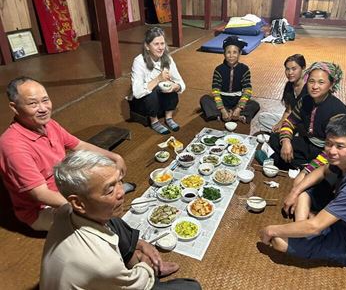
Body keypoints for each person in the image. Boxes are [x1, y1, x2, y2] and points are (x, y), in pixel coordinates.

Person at [40, 150, 201, 290]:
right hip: (120, 280)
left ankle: (137, 261)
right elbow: (135, 286)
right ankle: (148, 270)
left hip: (98, 271)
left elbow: (111, 223)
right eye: (110, 189)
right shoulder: (103, 261)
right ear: (78, 203)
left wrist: (141, 243)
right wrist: (145, 263)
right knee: (192, 287)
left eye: (119, 182)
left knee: (113, 221)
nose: (121, 192)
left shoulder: (66, 210)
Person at [0, 77, 135, 231]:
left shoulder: (48, 124)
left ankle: (107, 195)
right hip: (43, 209)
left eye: (45, 100)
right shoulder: (13, 146)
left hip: (67, 187)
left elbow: (80, 145)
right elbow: (41, 194)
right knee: (102, 215)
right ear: (15, 107)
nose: (43, 108)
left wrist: (115, 157)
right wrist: (88, 205)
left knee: (98, 171)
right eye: (33, 103)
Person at [259, 114, 346, 268]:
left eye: (340, 146)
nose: (331, 151)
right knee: (305, 189)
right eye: (328, 143)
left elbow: (315, 227)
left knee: (279, 240)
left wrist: (271, 230)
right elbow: (323, 171)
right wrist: (294, 192)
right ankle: (303, 227)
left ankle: (304, 230)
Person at [261, 61, 346, 172]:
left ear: (331, 85)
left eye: (321, 82)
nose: (314, 86)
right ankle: (299, 165)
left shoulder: (338, 112)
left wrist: (309, 169)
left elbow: (336, 149)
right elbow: (289, 121)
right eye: (311, 81)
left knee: (330, 169)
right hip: (308, 143)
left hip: (327, 150)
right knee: (275, 138)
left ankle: (302, 167)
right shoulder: (305, 100)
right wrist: (286, 141)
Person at [130, 27, 186, 135]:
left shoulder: (168, 59)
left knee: (170, 84)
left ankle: (168, 118)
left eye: (162, 43)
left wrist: (176, 86)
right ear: (147, 46)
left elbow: (181, 83)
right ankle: (154, 121)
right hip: (143, 102)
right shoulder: (139, 61)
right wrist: (158, 79)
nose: (160, 48)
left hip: (161, 99)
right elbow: (137, 93)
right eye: (156, 44)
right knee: (153, 88)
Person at [200, 35, 260, 123]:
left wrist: (239, 108)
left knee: (254, 105)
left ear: (240, 54)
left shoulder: (244, 69)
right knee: (204, 99)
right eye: (228, 52)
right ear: (224, 53)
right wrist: (222, 110)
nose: (231, 55)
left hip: (237, 101)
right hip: (222, 101)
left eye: (235, 52)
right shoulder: (219, 69)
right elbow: (216, 91)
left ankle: (234, 114)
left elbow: (247, 90)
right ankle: (227, 115)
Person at [258, 54, 308, 133]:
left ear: (303, 68)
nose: (290, 72)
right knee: (263, 117)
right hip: (291, 120)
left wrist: (286, 127)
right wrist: (280, 123)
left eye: (294, 69)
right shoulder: (289, 85)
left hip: (303, 125)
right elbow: (288, 111)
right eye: (287, 69)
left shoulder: (309, 88)